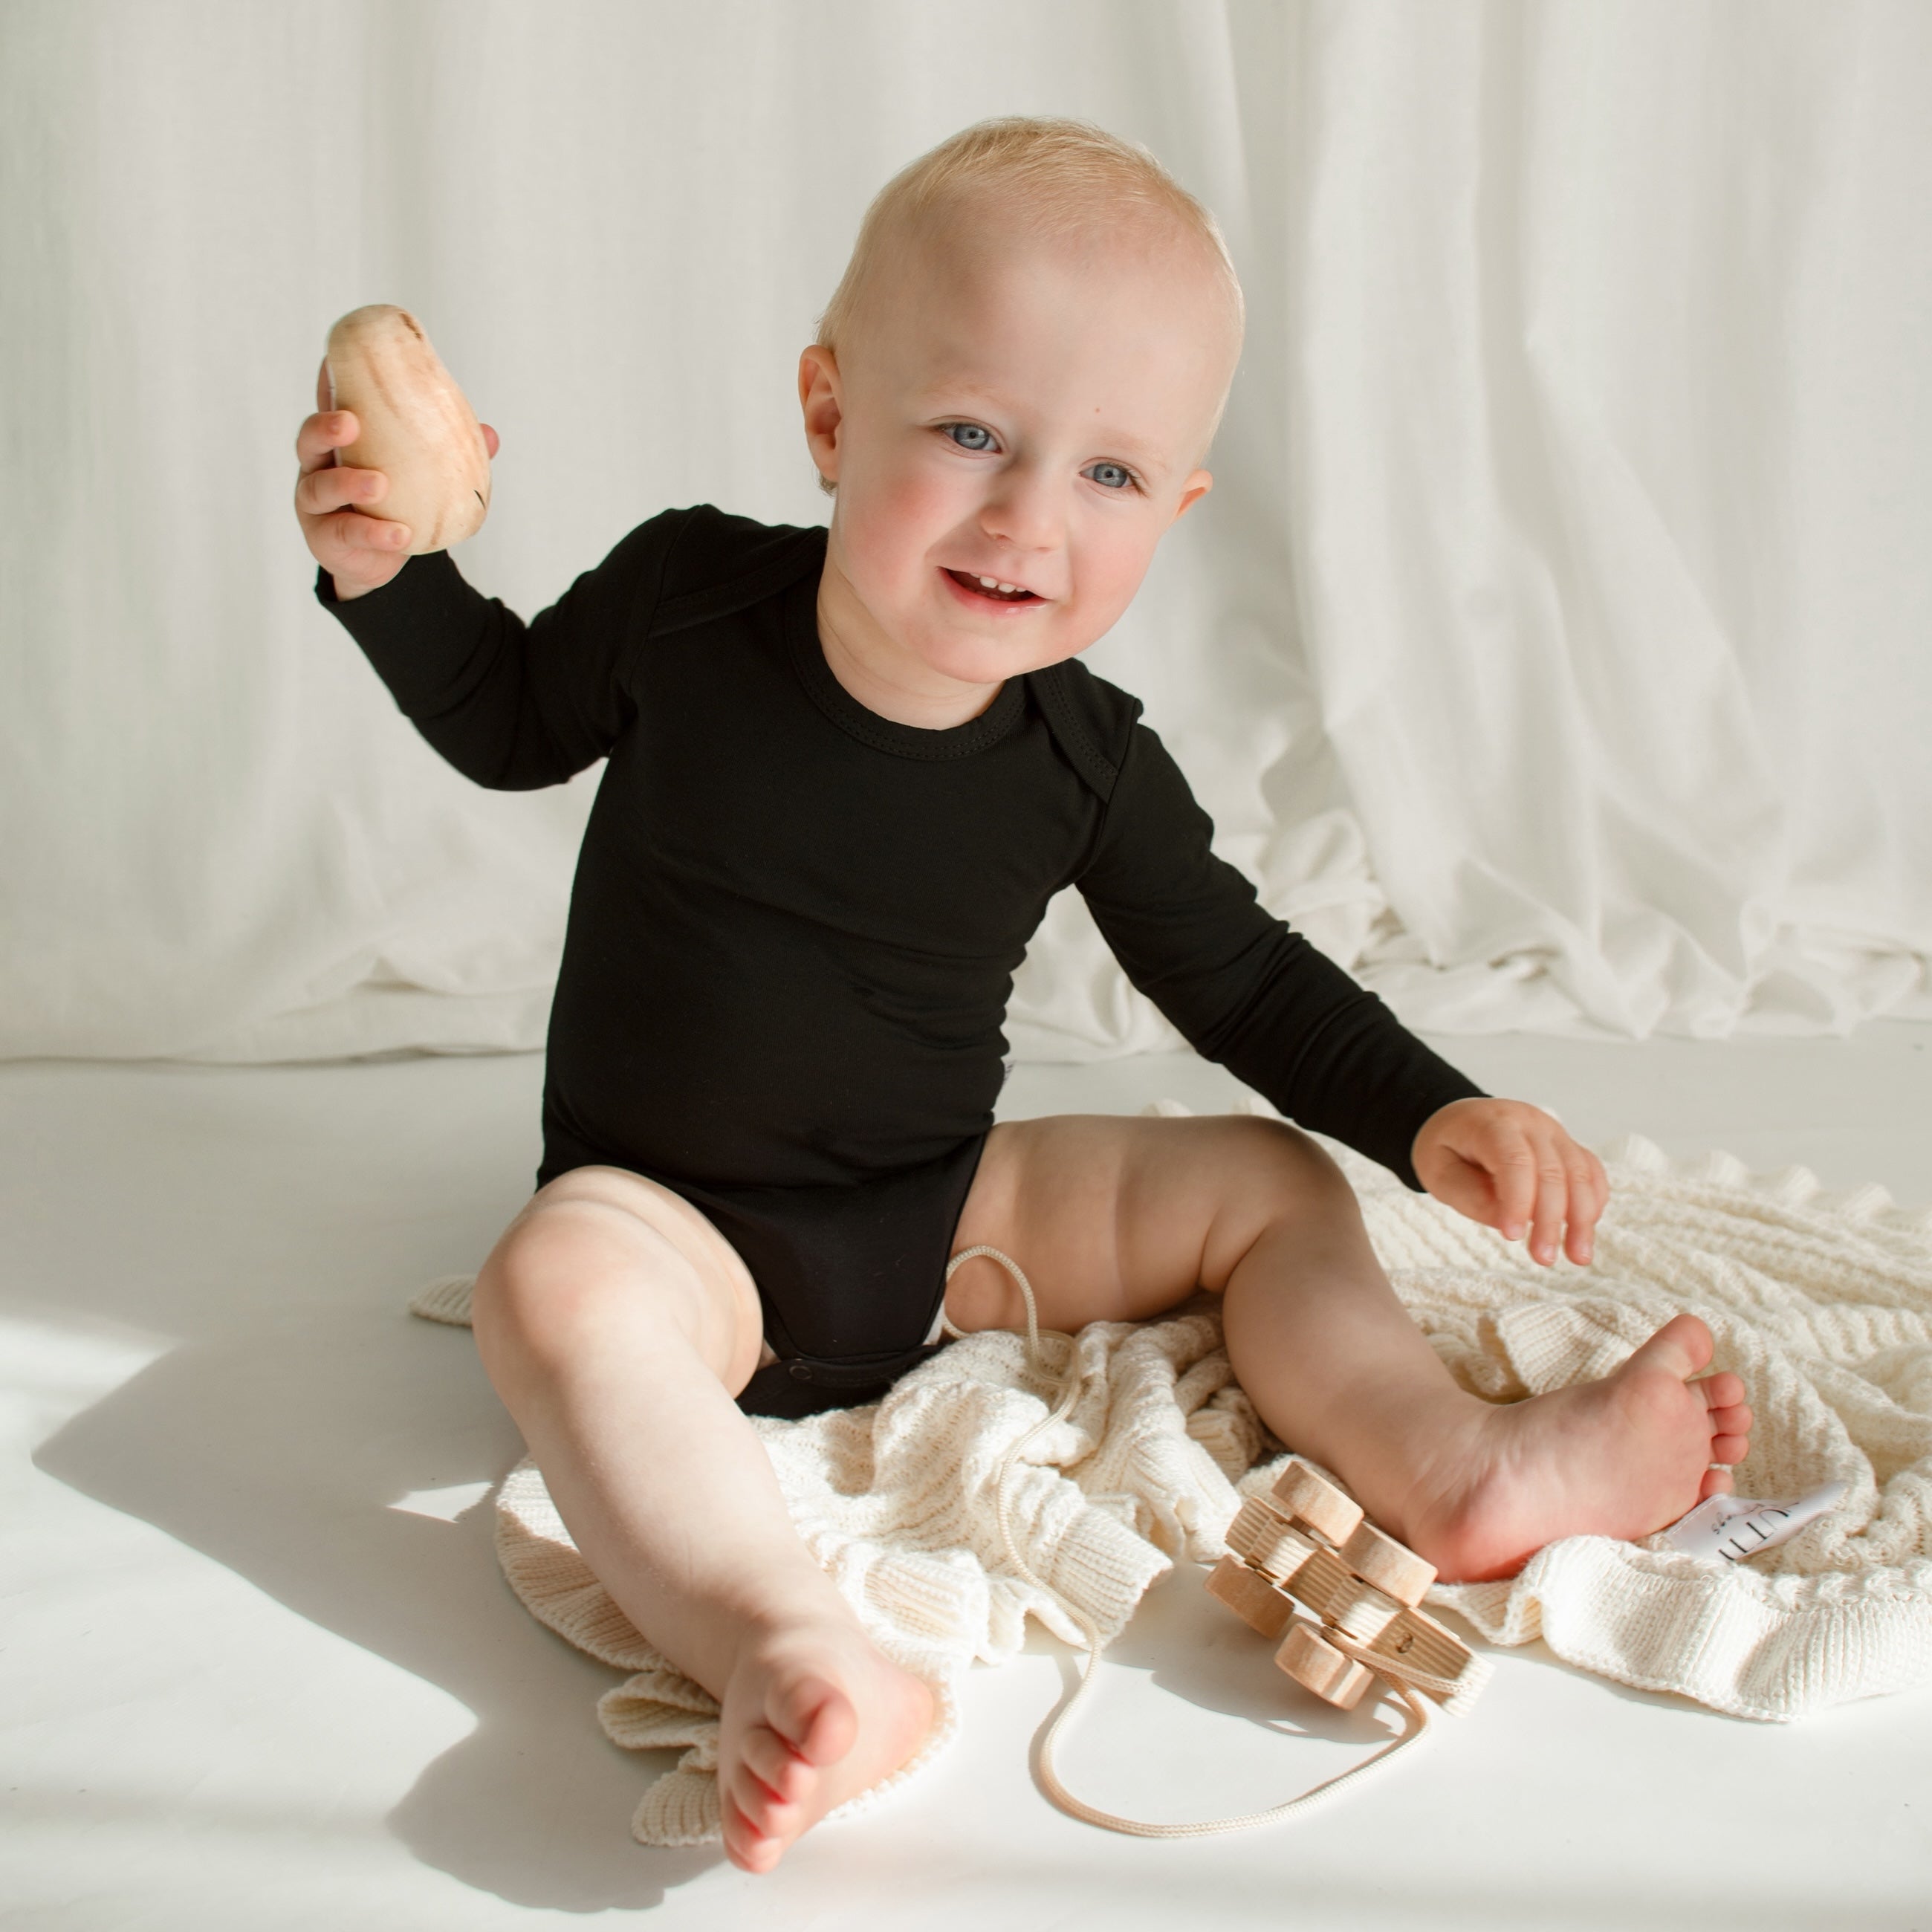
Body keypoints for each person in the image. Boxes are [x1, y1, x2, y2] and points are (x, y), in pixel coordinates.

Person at [293, 117, 1751, 1873]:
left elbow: (1239, 975)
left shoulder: (1082, 760)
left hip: (938, 1213)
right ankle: (788, 1635)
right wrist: (395, 576)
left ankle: (1453, 1466)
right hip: (676, 1231)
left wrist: (1428, 1107)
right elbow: (510, 718)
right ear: (832, 416)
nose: (1027, 519)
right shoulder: (687, 602)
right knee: (554, 1278)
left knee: (1263, 1181)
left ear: (1178, 507)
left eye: (1110, 476)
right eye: (972, 434)